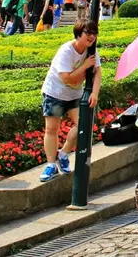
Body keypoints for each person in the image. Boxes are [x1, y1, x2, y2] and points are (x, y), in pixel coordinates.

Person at [39, 21, 101, 182]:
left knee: (83, 126)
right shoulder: (66, 51)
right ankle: (51, 164)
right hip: (55, 92)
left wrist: (94, 92)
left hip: (74, 95)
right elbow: (66, 77)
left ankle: (63, 154)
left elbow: (97, 72)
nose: (92, 37)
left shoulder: (92, 50)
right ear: (79, 34)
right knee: (52, 129)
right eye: (88, 33)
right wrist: (85, 65)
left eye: (94, 33)